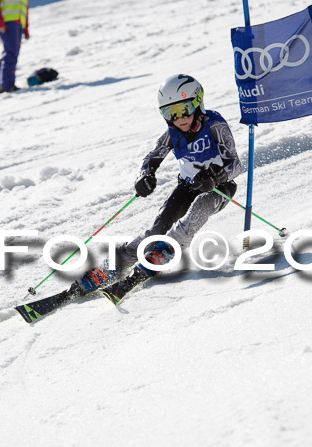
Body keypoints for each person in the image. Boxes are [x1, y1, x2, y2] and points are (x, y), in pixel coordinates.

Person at [77, 74, 243, 293]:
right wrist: (145, 175)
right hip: (187, 186)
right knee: (157, 229)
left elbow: (237, 165)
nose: (180, 118)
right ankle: (119, 262)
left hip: (219, 187)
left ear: (198, 103)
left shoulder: (215, 125)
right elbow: (151, 158)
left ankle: (166, 249)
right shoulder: (171, 134)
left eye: (184, 109)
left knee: (199, 208)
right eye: (171, 113)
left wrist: (217, 176)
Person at [0, 0, 29, 96]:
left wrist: (25, 28)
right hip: (7, 23)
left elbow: (24, 9)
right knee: (11, 53)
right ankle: (7, 86)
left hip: (18, 24)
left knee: (9, 53)